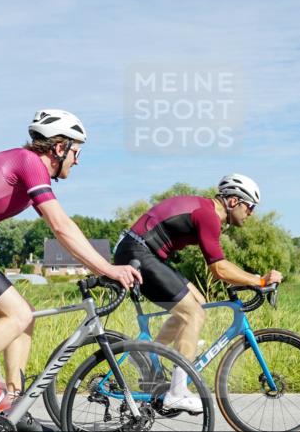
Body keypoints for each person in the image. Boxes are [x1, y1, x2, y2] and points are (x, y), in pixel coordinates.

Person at [0, 109, 142, 432]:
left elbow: (62, 229)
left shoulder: (26, 166)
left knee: (25, 317)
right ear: (60, 147)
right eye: (76, 152)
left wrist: (100, 267)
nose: (77, 161)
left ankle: (10, 406)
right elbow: (61, 226)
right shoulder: (29, 162)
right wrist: (107, 268)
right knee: (17, 313)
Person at [113, 174, 282, 413]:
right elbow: (219, 268)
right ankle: (176, 392)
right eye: (250, 206)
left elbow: (219, 266)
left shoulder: (207, 212)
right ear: (233, 201)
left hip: (142, 252)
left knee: (198, 303)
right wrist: (260, 280)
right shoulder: (208, 215)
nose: (251, 213)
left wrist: (251, 279)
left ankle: (147, 353)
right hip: (139, 254)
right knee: (192, 314)